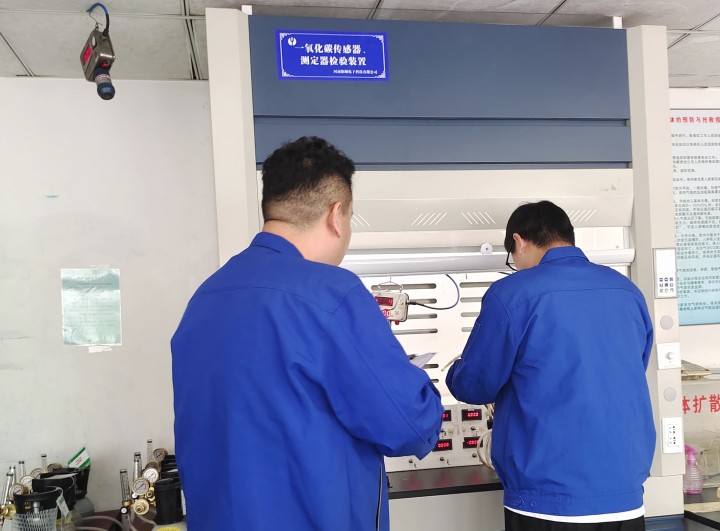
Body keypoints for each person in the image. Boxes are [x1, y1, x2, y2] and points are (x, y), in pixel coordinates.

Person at [171, 136, 443, 531]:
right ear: (336, 215)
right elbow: (411, 426)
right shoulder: (331, 293)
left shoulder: (206, 297)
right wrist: (410, 377)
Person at [446, 200, 655, 531]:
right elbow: (633, 367)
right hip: (624, 495)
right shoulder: (627, 292)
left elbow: (475, 384)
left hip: (547, 497)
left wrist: (456, 370)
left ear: (519, 241)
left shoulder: (512, 293)